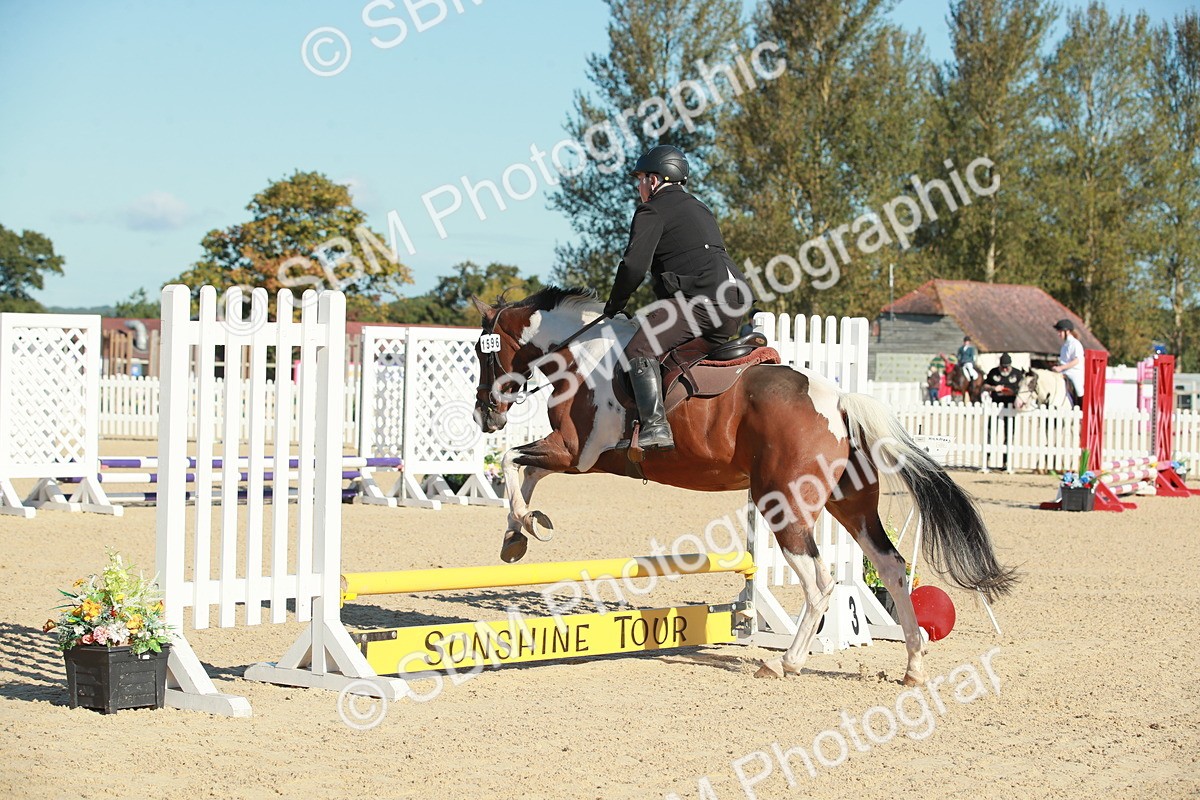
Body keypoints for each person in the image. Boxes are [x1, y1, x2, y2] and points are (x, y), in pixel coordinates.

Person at [603, 145, 752, 451]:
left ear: (655, 180)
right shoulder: (698, 207)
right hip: (735, 302)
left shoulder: (652, 209)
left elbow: (633, 266)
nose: (639, 186)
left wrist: (614, 306)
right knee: (673, 355)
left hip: (703, 302)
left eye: (641, 179)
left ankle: (656, 427)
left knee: (640, 346)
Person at [1053, 318, 1085, 408]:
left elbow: (1077, 360)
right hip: (1064, 372)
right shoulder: (1064, 345)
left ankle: (1081, 409)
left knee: (1079, 390)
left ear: (1067, 331)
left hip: (1074, 372)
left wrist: (1061, 368)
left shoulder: (1075, 343)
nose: (1058, 334)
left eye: (1060, 332)